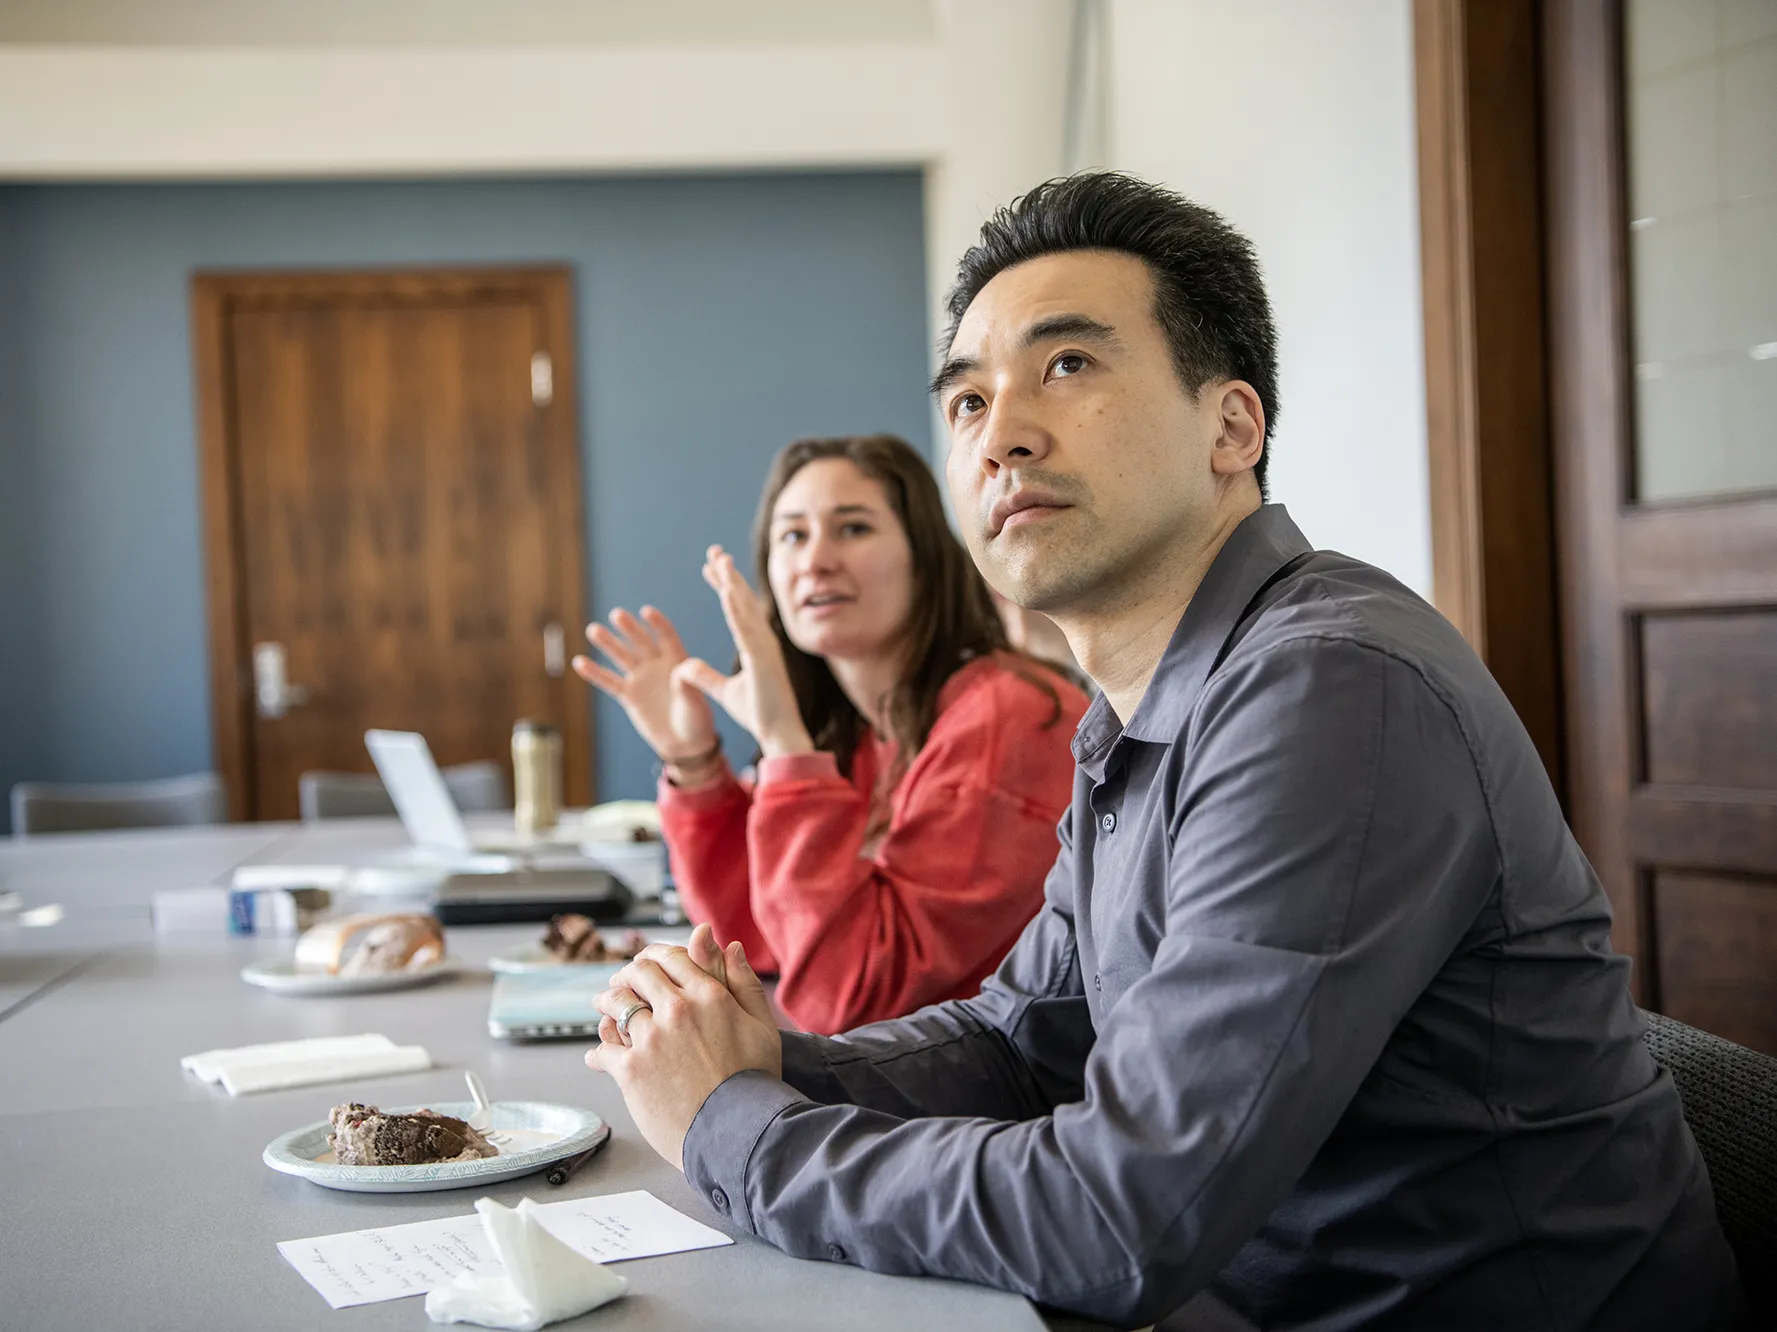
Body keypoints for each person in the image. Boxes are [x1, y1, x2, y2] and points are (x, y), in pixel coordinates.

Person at [581, 174, 1747, 1330]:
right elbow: (1024, 1038)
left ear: (1231, 427)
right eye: (969, 403)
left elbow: (1126, 1215)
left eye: (1068, 365)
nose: (1003, 437)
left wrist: (736, 1126)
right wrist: (758, 1064)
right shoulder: (1135, 709)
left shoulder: (1327, 687)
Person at [573, 433, 1087, 1035]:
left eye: (853, 528)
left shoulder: (1009, 717)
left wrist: (787, 745)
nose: (815, 560)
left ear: (926, 558)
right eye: (792, 535)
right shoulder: (865, 728)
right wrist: (694, 765)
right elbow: (757, 940)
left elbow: (856, 998)